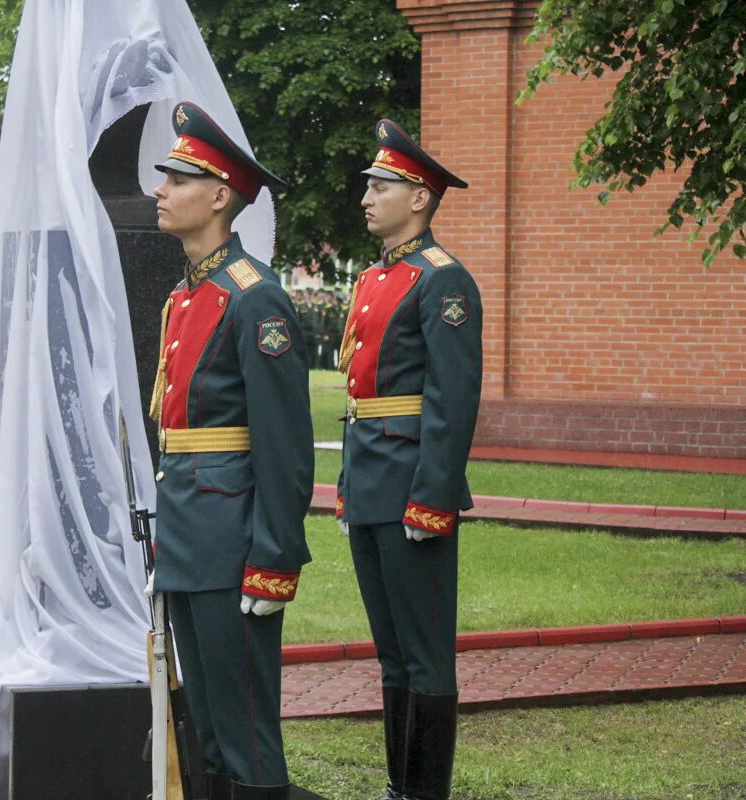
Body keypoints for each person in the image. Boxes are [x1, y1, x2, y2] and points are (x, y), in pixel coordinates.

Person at [149, 100, 313, 800]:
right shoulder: (187, 296)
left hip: (230, 535)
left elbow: (284, 443)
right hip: (190, 525)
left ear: (219, 196)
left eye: (177, 179)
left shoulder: (255, 300)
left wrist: (274, 556)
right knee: (208, 724)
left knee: (244, 728)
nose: (161, 190)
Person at [336, 119, 482, 800]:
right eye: (369, 184)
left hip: (412, 483)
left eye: (380, 185)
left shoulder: (443, 281)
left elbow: (451, 403)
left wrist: (434, 495)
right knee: (391, 650)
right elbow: (360, 395)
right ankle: (400, 786)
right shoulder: (375, 277)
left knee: (424, 653)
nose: (366, 196)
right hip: (371, 477)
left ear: (418, 197)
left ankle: (424, 793)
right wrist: (347, 486)